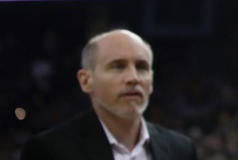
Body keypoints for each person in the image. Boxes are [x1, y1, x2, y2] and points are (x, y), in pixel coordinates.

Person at [20, 29, 197, 160]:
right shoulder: (49, 150)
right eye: (118, 66)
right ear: (86, 81)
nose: (133, 78)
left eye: (141, 67)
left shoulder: (181, 149)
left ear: (151, 81)